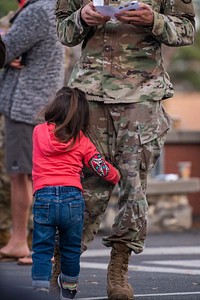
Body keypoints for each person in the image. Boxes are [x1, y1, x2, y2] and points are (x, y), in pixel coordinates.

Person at [53, 0, 196, 299]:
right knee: (83, 187)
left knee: (133, 187)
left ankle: (119, 267)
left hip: (141, 97)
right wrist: (81, 17)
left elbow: (185, 32)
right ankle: (64, 263)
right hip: (90, 96)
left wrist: (153, 20)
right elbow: (64, 33)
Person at [31, 86, 120, 299]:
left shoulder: (39, 132)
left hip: (44, 197)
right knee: (70, 249)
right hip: (73, 200)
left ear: (54, 107)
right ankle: (69, 290)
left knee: (42, 248)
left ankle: (41, 287)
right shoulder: (81, 140)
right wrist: (116, 175)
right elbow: (101, 167)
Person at [0, 0, 65, 262]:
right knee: (28, 176)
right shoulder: (48, 8)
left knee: (26, 177)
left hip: (26, 106)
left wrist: (6, 48)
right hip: (39, 105)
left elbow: (4, 51)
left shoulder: (37, 10)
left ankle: (35, 245)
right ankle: (19, 241)